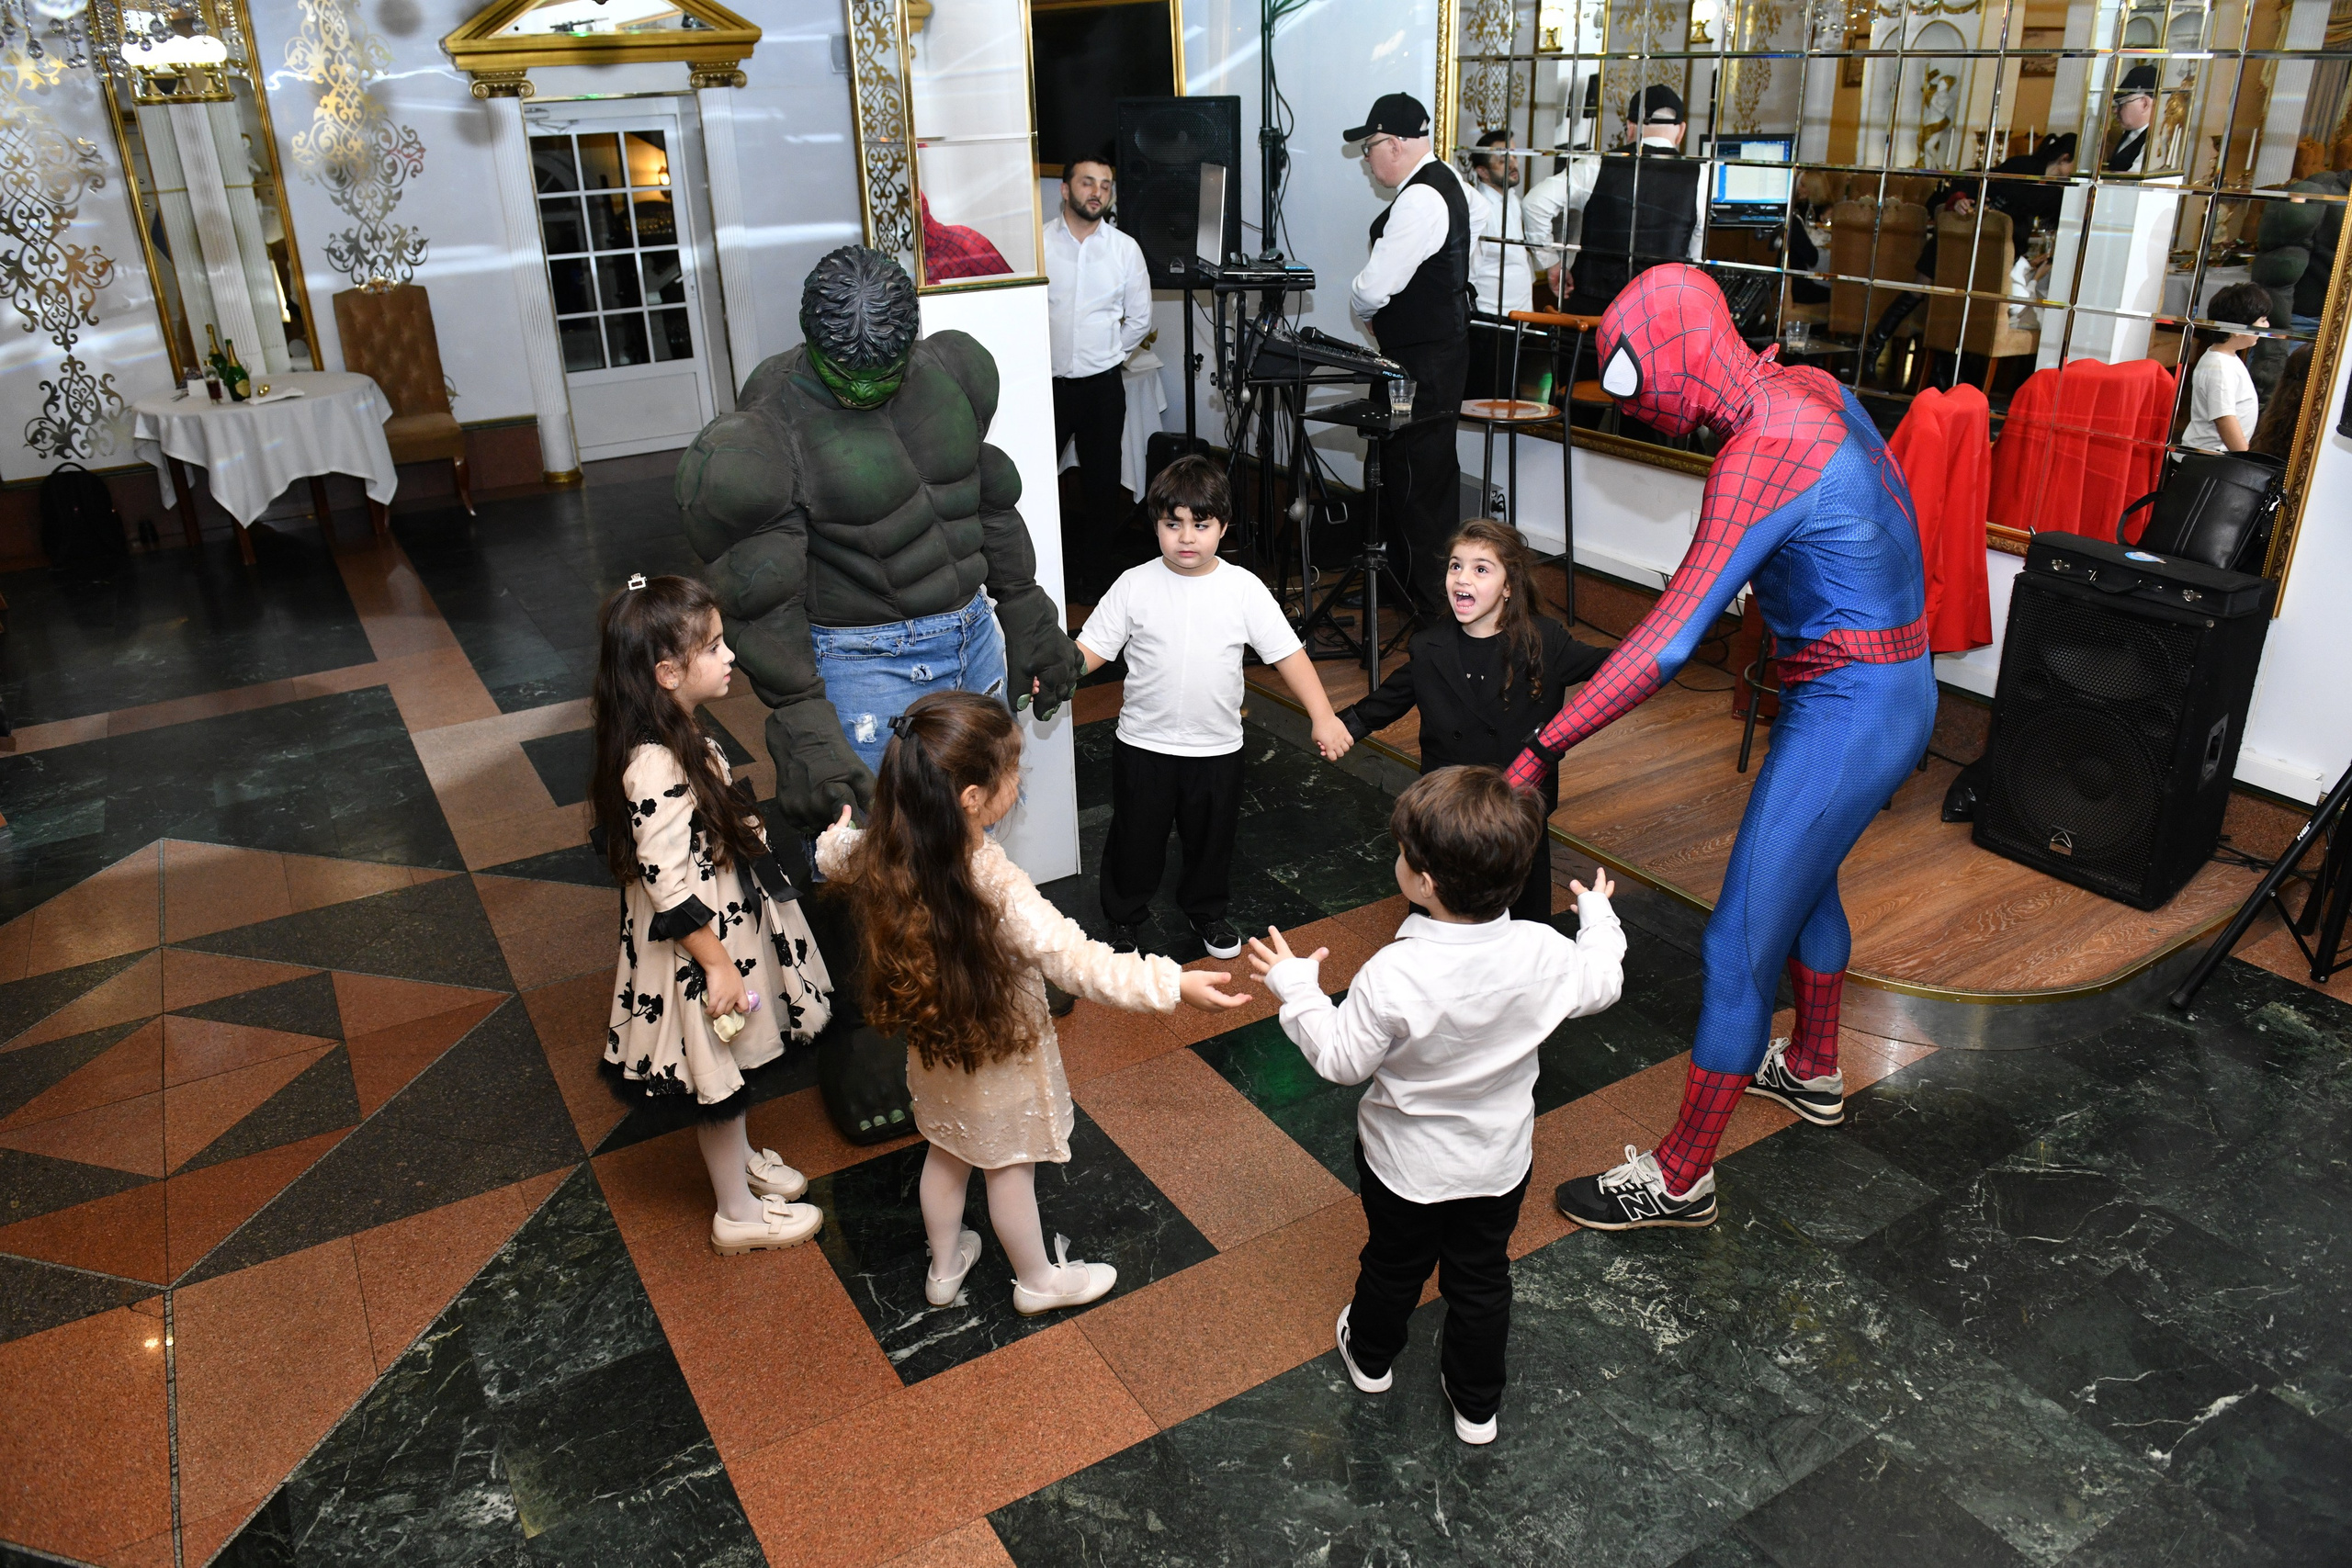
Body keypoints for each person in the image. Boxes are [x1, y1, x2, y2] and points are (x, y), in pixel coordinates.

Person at [1510, 265, 1935, 1230]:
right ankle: (1815, 1067)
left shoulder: (1761, 450)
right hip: (1890, 692)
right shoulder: (1808, 387)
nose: (1656, 418)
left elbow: (1664, 644)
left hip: (1849, 707)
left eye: (1646, 391)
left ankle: (1679, 1178)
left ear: (1681, 353)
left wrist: (1544, 744)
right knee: (1805, 878)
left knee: (1735, 940)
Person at [819, 692, 1250, 1314]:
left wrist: (833, 840)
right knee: (1009, 1170)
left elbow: (837, 854)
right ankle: (1037, 1280)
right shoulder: (997, 884)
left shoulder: (885, 849)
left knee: (945, 1154)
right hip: (999, 1053)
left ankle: (943, 1268)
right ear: (971, 799)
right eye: (1011, 770)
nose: (1018, 780)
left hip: (935, 1047)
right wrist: (1173, 983)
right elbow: (1078, 961)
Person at [1246, 766, 1626, 1445]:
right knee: (1482, 1280)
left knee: (1393, 1265)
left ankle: (1369, 1359)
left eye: (1403, 853)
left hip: (1404, 1166)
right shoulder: (1546, 951)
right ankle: (1477, 1407)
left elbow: (1341, 1060)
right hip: (1498, 1162)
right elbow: (1602, 981)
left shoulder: (1395, 972)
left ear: (1423, 881)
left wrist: (1297, 988)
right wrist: (1597, 919)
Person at [592, 574, 837, 1255]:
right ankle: (736, 1210)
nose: (729, 657)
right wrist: (718, 961)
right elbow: (668, 885)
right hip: (698, 948)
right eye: (715, 647)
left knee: (731, 1056)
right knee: (716, 1077)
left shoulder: (679, 733)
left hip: (719, 929)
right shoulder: (651, 762)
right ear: (667, 672)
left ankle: (742, 1162)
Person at [1075, 457, 1355, 958]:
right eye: (1173, 524)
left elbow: (1289, 654)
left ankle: (1206, 912)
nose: (1187, 537)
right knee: (1135, 839)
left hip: (1217, 747)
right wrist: (1053, 671)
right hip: (1143, 743)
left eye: (1200, 525)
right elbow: (1092, 649)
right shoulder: (1134, 583)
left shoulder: (1243, 588)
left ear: (1222, 527)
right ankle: (1123, 919)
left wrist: (1323, 715)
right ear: (1155, 525)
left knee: (1212, 840)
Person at [1338, 519, 1606, 922]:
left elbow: (1616, 666)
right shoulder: (1429, 645)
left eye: (1481, 568)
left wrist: (1666, 642)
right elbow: (1390, 698)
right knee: (1441, 912)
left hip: (1516, 810)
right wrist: (1345, 727)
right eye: (1455, 566)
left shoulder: (1545, 641)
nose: (1463, 577)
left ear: (1509, 585)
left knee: (1521, 914)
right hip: (1448, 812)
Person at [1345, 90, 1475, 617]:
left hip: (1420, 367)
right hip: (1431, 358)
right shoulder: (1450, 183)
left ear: (1395, 144)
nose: (1367, 161)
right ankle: (1406, 590)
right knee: (1409, 472)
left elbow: (1372, 288)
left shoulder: (1421, 197)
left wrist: (1365, 305)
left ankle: (1436, 612)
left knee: (1420, 482)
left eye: (1369, 147)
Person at [1046, 150, 1153, 596]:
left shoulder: (1125, 249)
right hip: (1047, 387)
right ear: (1065, 189)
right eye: (1088, 182)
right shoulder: (1039, 244)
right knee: (1034, 479)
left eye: (1105, 185)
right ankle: (1043, 576)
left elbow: (1140, 320)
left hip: (1102, 388)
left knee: (1102, 486)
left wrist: (1108, 355)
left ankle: (1096, 582)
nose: (1097, 193)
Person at [1553, 85, 1711, 316]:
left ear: (1631, 126)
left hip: (1592, 311)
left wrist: (1550, 262)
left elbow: (1534, 204)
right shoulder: (1702, 174)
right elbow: (1698, 243)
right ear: (1681, 130)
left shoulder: (1596, 164)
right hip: (1658, 312)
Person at [2181, 280, 2273, 454]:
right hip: (2210, 458)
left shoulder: (2226, 358)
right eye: (2262, 320)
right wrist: (2243, 458)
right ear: (2237, 329)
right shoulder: (2219, 367)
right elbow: (2224, 419)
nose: (2267, 326)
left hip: (2220, 455)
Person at [1468, 130, 1546, 318]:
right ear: (1483, 172)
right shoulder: (1479, 210)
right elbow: (1469, 272)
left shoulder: (1513, 199)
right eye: (1503, 160)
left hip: (1522, 310)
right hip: (1492, 315)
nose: (1513, 164)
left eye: (1514, 156)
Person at [2108, 66, 2157, 174]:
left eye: (2121, 103)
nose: (2115, 110)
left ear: (2144, 104)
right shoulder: (2129, 132)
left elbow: (2131, 183)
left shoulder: (2154, 141)